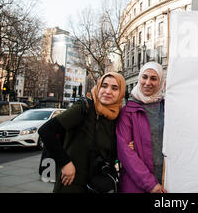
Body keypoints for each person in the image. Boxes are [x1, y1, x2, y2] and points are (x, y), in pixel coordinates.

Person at [38, 72, 125, 193]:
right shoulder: (84, 107)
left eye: (114, 88)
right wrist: (65, 163)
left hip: (98, 185)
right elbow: (46, 131)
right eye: (104, 86)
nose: (108, 91)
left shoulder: (116, 116)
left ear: (121, 93)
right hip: (72, 182)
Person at [116, 62, 167, 193]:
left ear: (161, 81)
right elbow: (126, 153)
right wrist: (150, 184)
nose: (147, 82)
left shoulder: (167, 107)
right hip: (136, 184)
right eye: (144, 77)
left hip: (166, 180)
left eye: (154, 78)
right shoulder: (128, 111)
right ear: (139, 79)